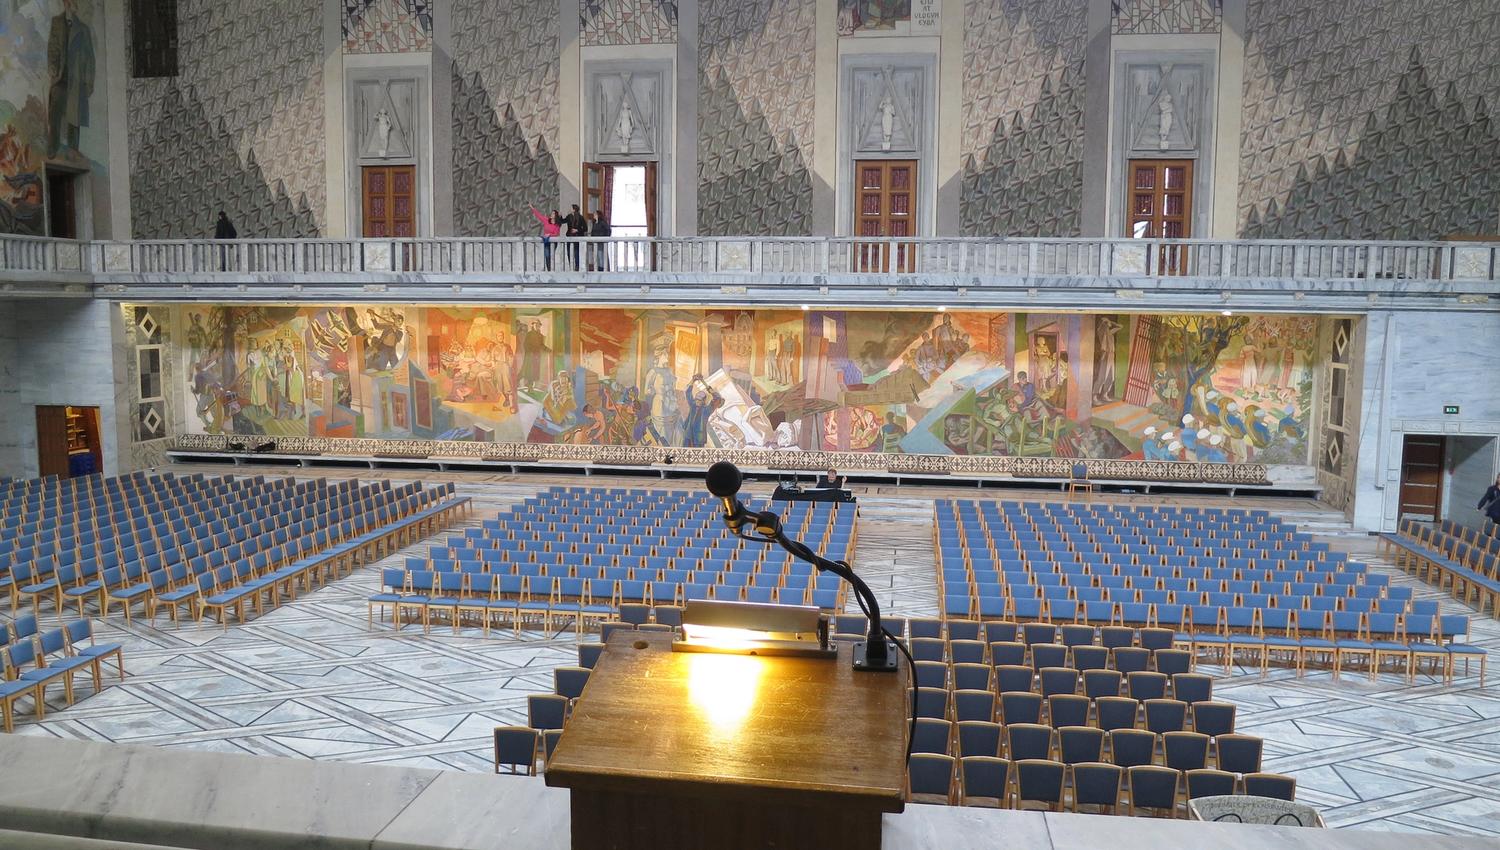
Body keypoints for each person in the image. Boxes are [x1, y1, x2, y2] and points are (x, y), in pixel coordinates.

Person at [528, 206, 561, 271]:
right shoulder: (546, 220)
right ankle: (549, 270)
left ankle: (552, 269)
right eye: (551, 213)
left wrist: (549, 234)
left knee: (551, 256)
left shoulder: (557, 225)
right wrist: (532, 208)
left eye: (553, 213)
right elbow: (539, 216)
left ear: (556, 216)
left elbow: (556, 234)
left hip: (553, 242)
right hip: (546, 241)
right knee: (547, 256)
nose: (551, 214)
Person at [564, 204, 587, 270]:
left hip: (577, 236)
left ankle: (577, 266)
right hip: (569, 236)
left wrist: (577, 230)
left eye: (571, 208)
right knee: (568, 251)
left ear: (574, 209)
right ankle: (571, 265)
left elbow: (585, 228)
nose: (570, 209)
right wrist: (560, 217)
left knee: (576, 251)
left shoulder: (580, 217)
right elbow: (563, 221)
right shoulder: (569, 216)